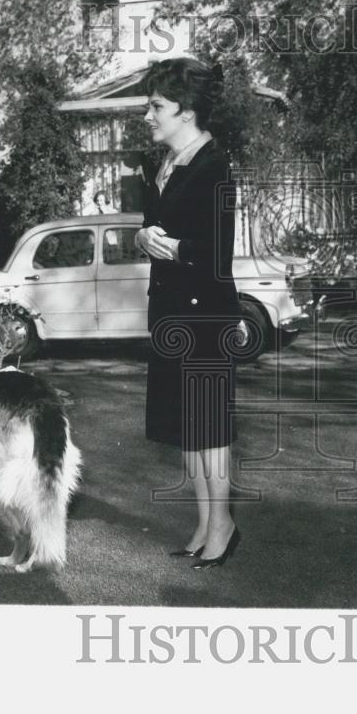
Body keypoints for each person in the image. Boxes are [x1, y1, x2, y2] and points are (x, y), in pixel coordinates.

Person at [135, 57, 245, 570]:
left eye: (156, 106)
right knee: (188, 429)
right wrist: (142, 236)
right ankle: (204, 523)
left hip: (205, 316)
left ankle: (222, 524)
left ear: (187, 110)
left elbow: (215, 251)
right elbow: (152, 228)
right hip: (171, 313)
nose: (148, 116)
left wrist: (170, 246)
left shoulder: (214, 165)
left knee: (210, 431)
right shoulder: (159, 166)